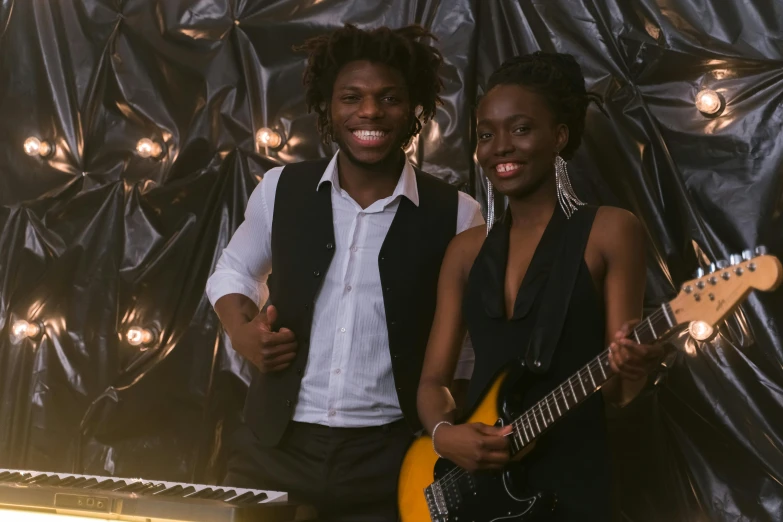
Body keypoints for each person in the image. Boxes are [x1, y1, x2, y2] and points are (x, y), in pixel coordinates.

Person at [205, 24, 483, 522]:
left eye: (389, 97)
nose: (370, 112)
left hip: (392, 455)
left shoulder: (458, 214)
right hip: (275, 446)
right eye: (351, 97)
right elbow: (231, 272)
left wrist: (439, 434)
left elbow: (462, 351)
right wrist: (242, 333)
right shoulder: (280, 188)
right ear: (328, 108)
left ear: (415, 108)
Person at [416, 52, 664, 521]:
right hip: (479, 489)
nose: (500, 147)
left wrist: (635, 366)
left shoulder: (611, 231)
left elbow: (617, 393)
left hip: (577, 479)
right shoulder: (464, 252)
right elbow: (433, 381)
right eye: (486, 134)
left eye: (521, 128)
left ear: (560, 136)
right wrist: (444, 435)